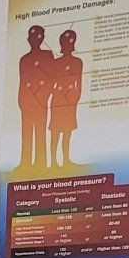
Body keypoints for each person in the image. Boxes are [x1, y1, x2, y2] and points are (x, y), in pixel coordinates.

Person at [17, 25, 55, 171]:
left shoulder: (47, 55)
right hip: (26, 101)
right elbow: (22, 81)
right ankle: (25, 163)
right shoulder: (24, 59)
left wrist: (44, 96)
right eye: (33, 36)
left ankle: (40, 163)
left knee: (40, 131)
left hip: (40, 101)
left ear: (43, 38)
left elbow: (51, 78)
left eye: (38, 36)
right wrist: (21, 100)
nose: (35, 39)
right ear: (28, 39)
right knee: (26, 133)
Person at [49, 28, 83, 170]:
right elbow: (51, 83)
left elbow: (79, 83)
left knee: (67, 131)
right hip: (58, 99)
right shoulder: (56, 63)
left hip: (70, 99)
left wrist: (75, 98)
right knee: (56, 131)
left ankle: (66, 160)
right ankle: (53, 161)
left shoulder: (78, 62)